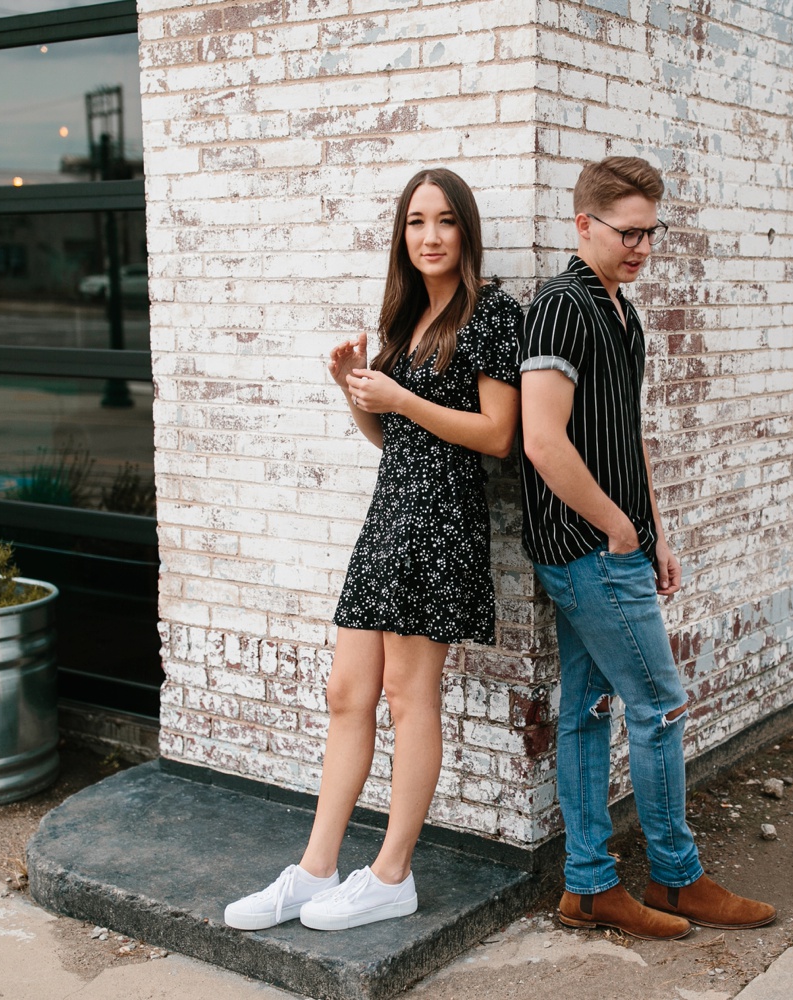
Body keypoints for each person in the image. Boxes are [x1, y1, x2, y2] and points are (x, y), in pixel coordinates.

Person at [224, 168, 521, 932]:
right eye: (416, 222)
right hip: (388, 517)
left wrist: (401, 397)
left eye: (445, 221)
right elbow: (394, 438)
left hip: (441, 522)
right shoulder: (407, 318)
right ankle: (314, 871)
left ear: (466, 231)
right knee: (346, 695)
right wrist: (350, 388)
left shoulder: (491, 312)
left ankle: (392, 874)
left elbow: (497, 435)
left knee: (407, 696)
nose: (429, 236)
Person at [519, 156, 776, 940]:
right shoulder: (562, 307)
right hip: (586, 548)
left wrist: (654, 528)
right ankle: (675, 877)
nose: (640, 246)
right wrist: (618, 527)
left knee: (589, 711)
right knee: (659, 706)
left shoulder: (619, 311)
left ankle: (590, 888)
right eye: (627, 232)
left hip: (616, 543)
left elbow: (624, 436)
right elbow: (540, 439)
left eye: (649, 233)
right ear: (583, 225)